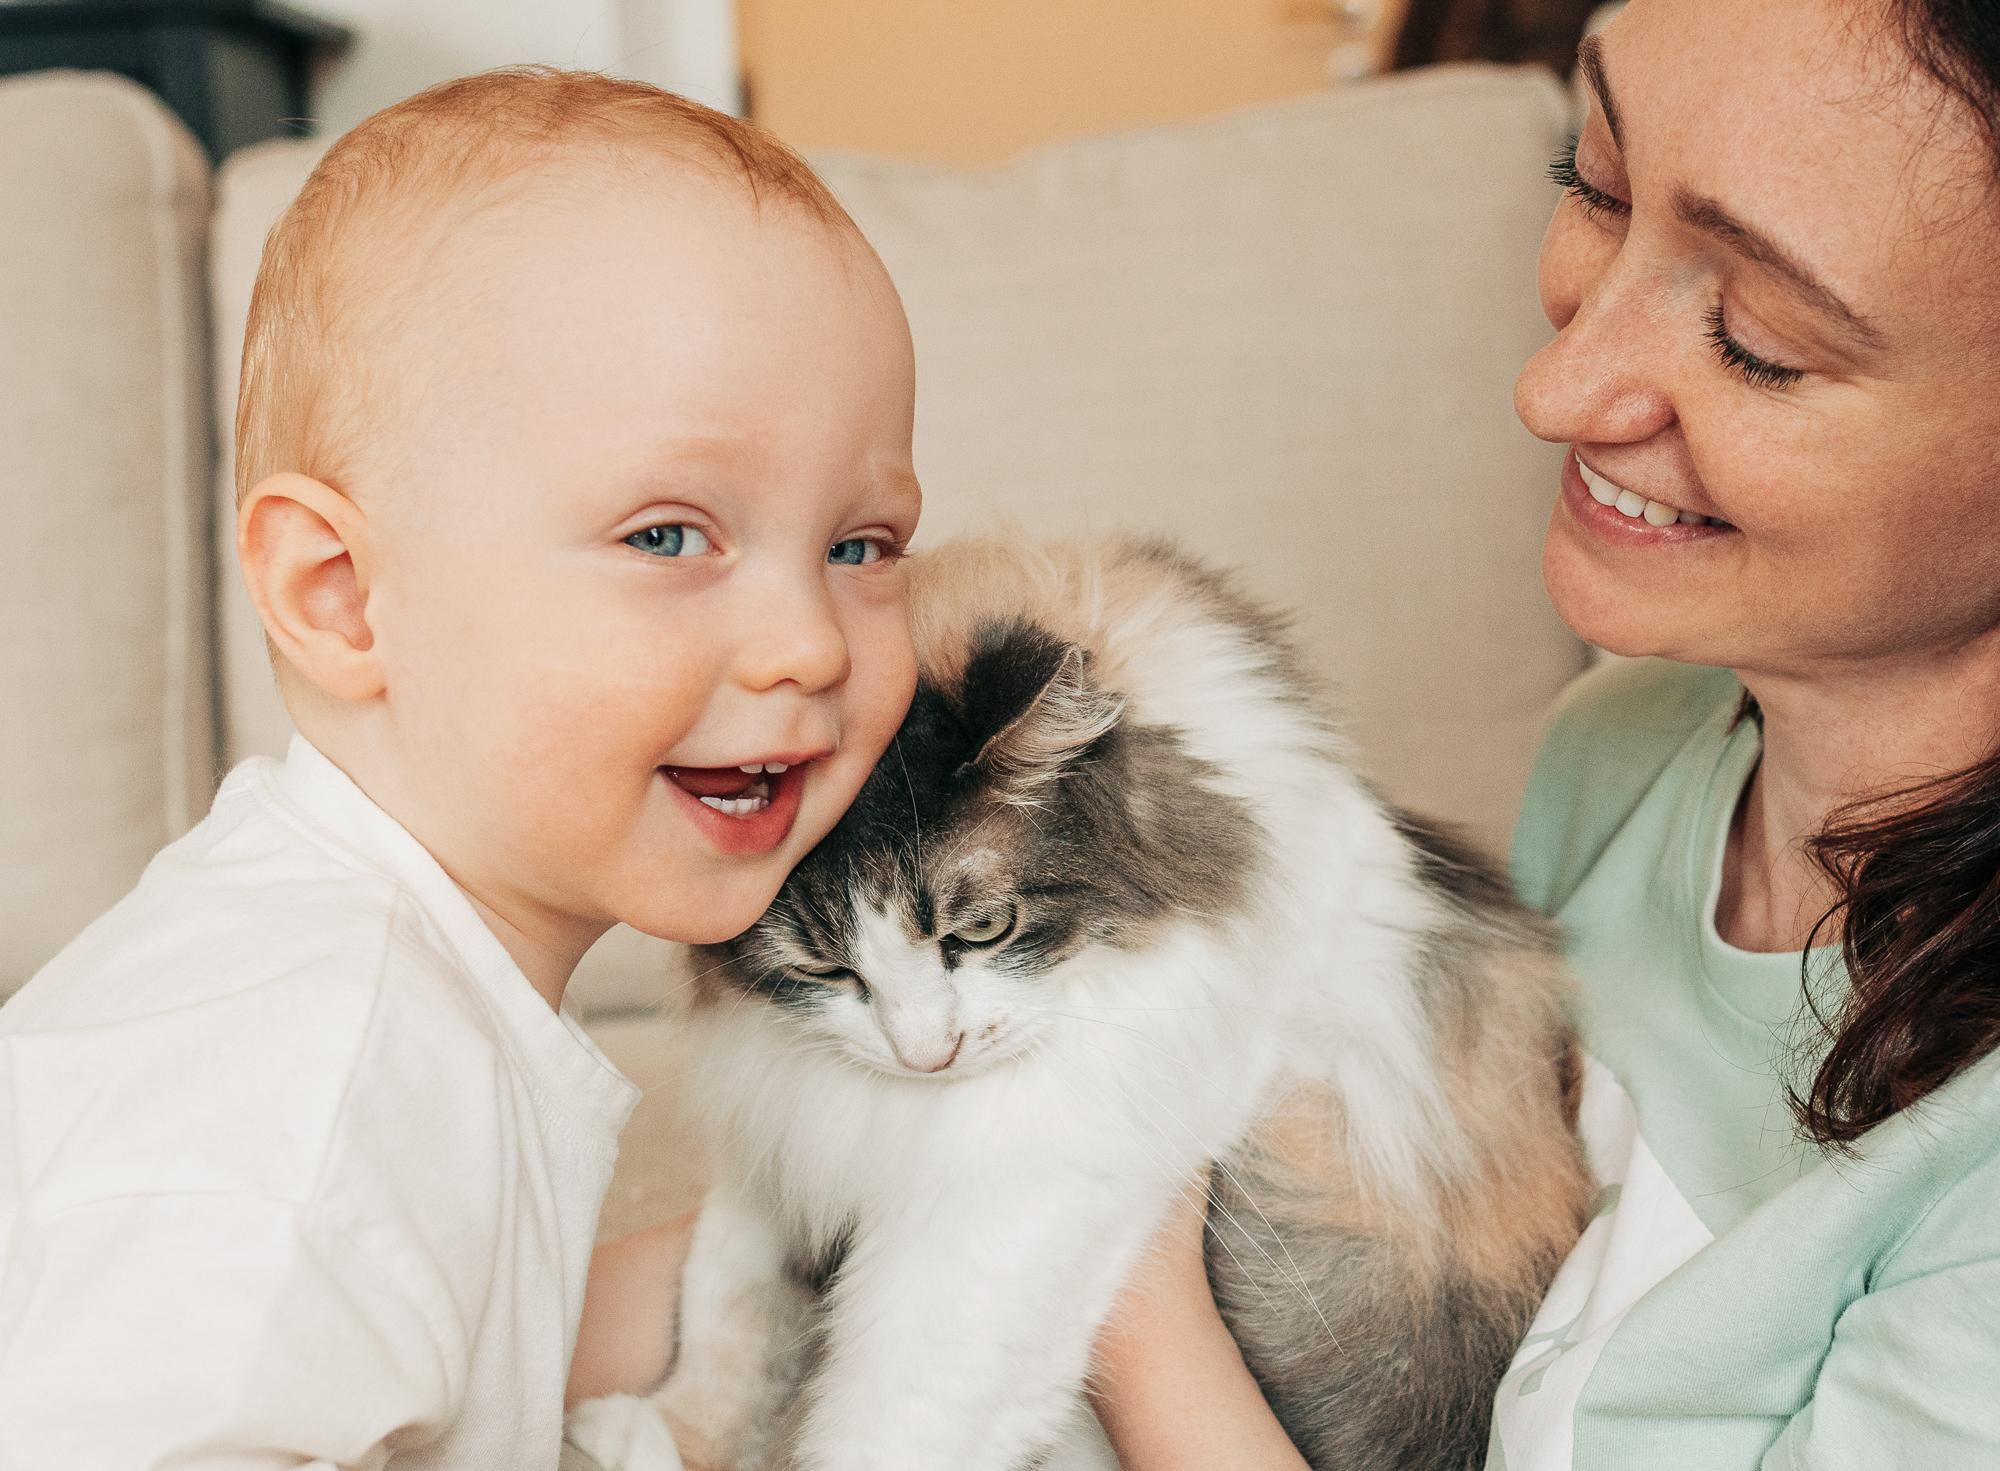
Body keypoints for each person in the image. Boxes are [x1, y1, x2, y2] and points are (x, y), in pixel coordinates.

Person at [1091, 0, 2000, 1465]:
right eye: (1597, 186)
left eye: (1758, 341)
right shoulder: (1625, 756)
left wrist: (1124, 1305)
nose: (1552, 389)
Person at [0, 67, 921, 1468]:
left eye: (861, 548)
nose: (807, 644)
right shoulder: (311, 1082)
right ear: (344, 597)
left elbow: (480, 1328)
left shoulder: (405, 981)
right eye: (669, 536)